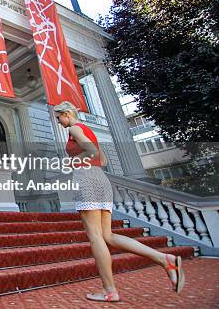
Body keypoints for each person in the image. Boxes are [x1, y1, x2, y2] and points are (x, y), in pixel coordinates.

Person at [53, 101, 184, 302]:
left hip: (86, 180)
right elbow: (103, 160)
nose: (59, 122)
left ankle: (109, 291)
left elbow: (93, 153)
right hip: (101, 180)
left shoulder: (74, 128)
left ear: (66, 114)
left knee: (96, 237)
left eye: (59, 117)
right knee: (108, 236)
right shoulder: (88, 131)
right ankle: (165, 259)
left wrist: (72, 161)